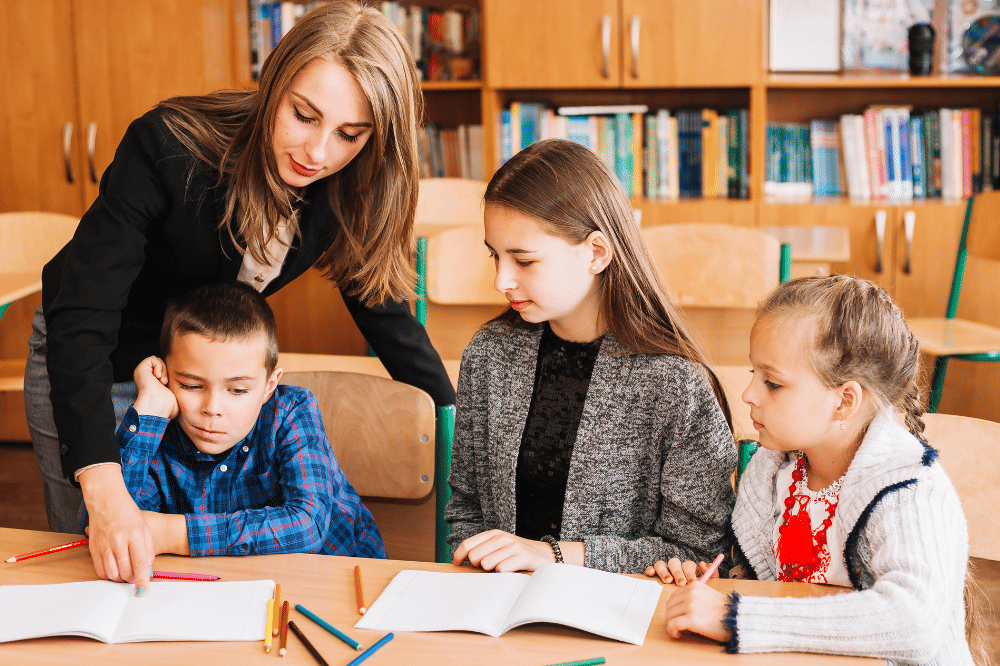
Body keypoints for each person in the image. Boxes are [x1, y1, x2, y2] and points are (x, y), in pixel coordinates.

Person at [26, 0, 452, 596]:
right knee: (104, 564)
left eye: (350, 134)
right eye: (304, 116)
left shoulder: (348, 183)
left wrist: (454, 417)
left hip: (208, 369)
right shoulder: (168, 147)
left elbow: (382, 310)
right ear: (274, 82)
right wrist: (101, 484)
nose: (319, 153)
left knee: (199, 570)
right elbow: (84, 319)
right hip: (97, 354)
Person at [648, 275, 978, 664]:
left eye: (772, 383)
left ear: (844, 401)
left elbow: (917, 621)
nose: (748, 394)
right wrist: (711, 583)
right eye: (754, 374)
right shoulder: (771, 474)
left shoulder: (911, 491)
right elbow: (776, 587)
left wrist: (735, 617)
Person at [444, 138, 736, 575]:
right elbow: (466, 511)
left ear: (596, 253)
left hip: (621, 623)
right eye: (495, 256)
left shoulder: (674, 381)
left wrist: (554, 556)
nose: (501, 280)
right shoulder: (489, 356)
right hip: (499, 613)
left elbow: (699, 552)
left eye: (523, 261)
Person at [80, 281, 385, 581]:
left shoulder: (292, 410)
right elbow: (106, 524)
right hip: (229, 589)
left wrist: (174, 534)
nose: (212, 407)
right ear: (165, 375)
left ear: (269, 386)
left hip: (336, 581)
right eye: (191, 385)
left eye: (237, 390)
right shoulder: (156, 423)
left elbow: (307, 524)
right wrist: (149, 408)